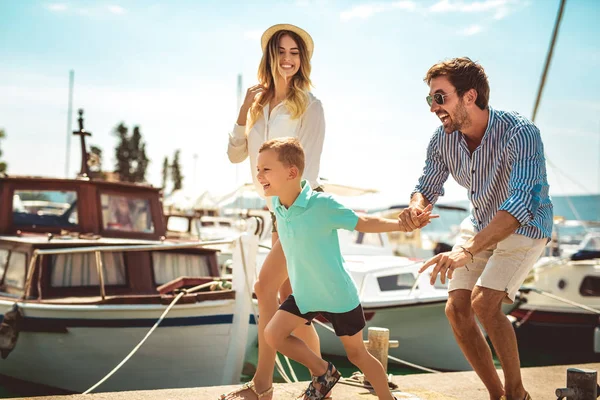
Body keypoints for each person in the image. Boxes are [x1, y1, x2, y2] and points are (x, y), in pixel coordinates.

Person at [401, 57, 553, 400]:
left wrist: (466, 251)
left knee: (484, 304)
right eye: (430, 99)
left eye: (440, 98)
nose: (433, 108)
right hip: (482, 219)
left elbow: (517, 207)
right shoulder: (442, 140)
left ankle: (516, 394)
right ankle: (496, 395)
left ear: (469, 96)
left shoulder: (521, 133)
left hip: (526, 223)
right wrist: (416, 206)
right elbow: (426, 184)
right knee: (456, 308)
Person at [257, 137, 437, 400]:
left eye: (266, 169)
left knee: (357, 355)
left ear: (291, 172)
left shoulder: (323, 205)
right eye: (259, 169)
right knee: (273, 334)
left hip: (338, 296)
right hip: (306, 295)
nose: (259, 175)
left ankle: (388, 398)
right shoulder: (276, 205)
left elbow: (364, 222)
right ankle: (324, 371)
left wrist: (403, 225)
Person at [222, 24, 326, 400]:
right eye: (280, 51)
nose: (287, 59)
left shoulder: (310, 106)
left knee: (265, 289)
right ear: (269, 56)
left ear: (303, 59)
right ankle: (323, 384)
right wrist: (241, 113)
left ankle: (263, 386)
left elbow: (309, 170)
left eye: (294, 52)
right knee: (291, 304)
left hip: (297, 212)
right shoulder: (257, 105)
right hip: (276, 213)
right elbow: (236, 155)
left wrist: (291, 216)